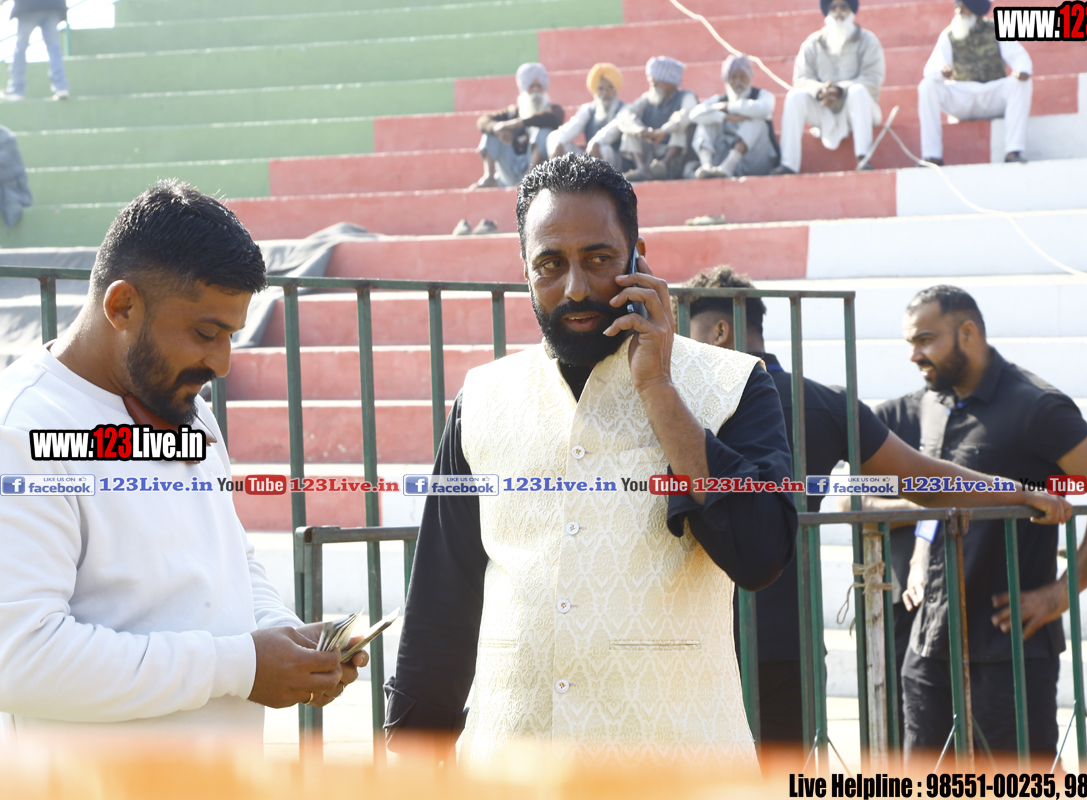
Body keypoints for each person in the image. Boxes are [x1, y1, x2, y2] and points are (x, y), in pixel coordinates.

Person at [383, 155, 797, 772]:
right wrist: (411, 759)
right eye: (550, 264)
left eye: (598, 259)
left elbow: (761, 555)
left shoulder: (734, 385)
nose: (575, 287)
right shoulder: (483, 397)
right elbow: (443, 599)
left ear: (638, 259)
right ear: (525, 271)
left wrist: (658, 389)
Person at [0, 181, 366, 739]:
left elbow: (230, 562)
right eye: (205, 333)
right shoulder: (21, 429)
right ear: (122, 306)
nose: (222, 363)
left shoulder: (184, 407)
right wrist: (241, 667)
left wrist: (285, 639)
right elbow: (20, 659)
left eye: (231, 335)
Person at [681, 267, 1071, 744]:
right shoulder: (821, 402)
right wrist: (1016, 492)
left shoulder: (676, 405)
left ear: (719, 332)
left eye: (686, 330)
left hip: (688, 634)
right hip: (786, 642)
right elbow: (922, 477)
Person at [874, 285, 1087, 762]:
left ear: (968, 333)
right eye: (910, 342)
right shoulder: (927, 406)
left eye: (926, 340)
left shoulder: (1036, 406)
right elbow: (859, 493)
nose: (914, 355)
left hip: (1008, 652)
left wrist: (1060, 594)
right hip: (928, 647)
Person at [917, 0, 1033, 165]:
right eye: (957, 7)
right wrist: (942, 73)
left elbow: (1020, 58)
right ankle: (932, 156)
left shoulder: (997, 29)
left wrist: (1022, 71)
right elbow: (931, 70)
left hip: (992, 97)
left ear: (976, 10)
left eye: (963, 8)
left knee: (1021, 83)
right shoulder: (948, 35)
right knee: (927, 86)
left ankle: (1013, 152)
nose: (958, 11)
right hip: (963, 99)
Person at [776, 0, 885, 174]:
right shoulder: (813, 43)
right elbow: (801, 79)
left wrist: (840, 90)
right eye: (833, 7)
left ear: (851, 10)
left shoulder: (867, 40)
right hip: (824, 109)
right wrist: (820, 90)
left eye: (843, 6)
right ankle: (788, 164)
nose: (838, 12)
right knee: (794, 96)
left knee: (857, 91)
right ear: (827, 11)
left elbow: (873, 78)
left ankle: (863, 159)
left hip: (858, 109)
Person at [471, 62, 565, 189]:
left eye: (539, 86)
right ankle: (489, 177)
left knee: (544, 131)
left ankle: (529, 179)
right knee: (492, 131)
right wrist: (497, 128)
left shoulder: (553, 110)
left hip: (537, 172)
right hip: (510, 168)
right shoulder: (512, 112)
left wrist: (518, 122)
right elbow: (483, 121)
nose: (536, 90)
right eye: (531, 86)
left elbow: (556, 118)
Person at [690, 55, 779, 179]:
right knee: (705, 121)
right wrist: (724, 117)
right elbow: (694, 115)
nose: (738, 81)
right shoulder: (719, 99)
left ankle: (728, 166)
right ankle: (706, 166)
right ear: (726, 80)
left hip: (755, 161)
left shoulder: (762, 96)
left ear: (750, 77)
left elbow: (764, 109)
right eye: (733, 77)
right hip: (721, 160)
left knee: (757, 120)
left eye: (742, 76)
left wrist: (729, 106)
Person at [617, 56, 699, 181]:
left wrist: (664, 131)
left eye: (658, 80)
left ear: (671, 82)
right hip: (651, 153)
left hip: (677, 157)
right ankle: (642, 169)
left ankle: (664, 164)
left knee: (680, 126)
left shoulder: (686, 96)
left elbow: (688, 113)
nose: (654, 84)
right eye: (652, 80)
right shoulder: (648, 98)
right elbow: (625, 115)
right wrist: (638, 130)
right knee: (629, 132)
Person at [547, 62, 627, 170]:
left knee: (603, 149)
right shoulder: (588, 109)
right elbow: (573, 126)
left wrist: (596, 143)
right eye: (601, 89)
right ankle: (561, 175)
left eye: (609, 88)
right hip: (589, 159)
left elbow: (612, 130)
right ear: (595, 91)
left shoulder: (625, 109)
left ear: (616, 89)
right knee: (554, 137)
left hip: (614, 161)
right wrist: (559, 142)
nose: (605, 92)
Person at [2, 0, 69, 101]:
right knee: (54, 48)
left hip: (28, 6)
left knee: (21, 48)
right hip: (53, 6)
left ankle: (17, 89)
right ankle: (61, 88)